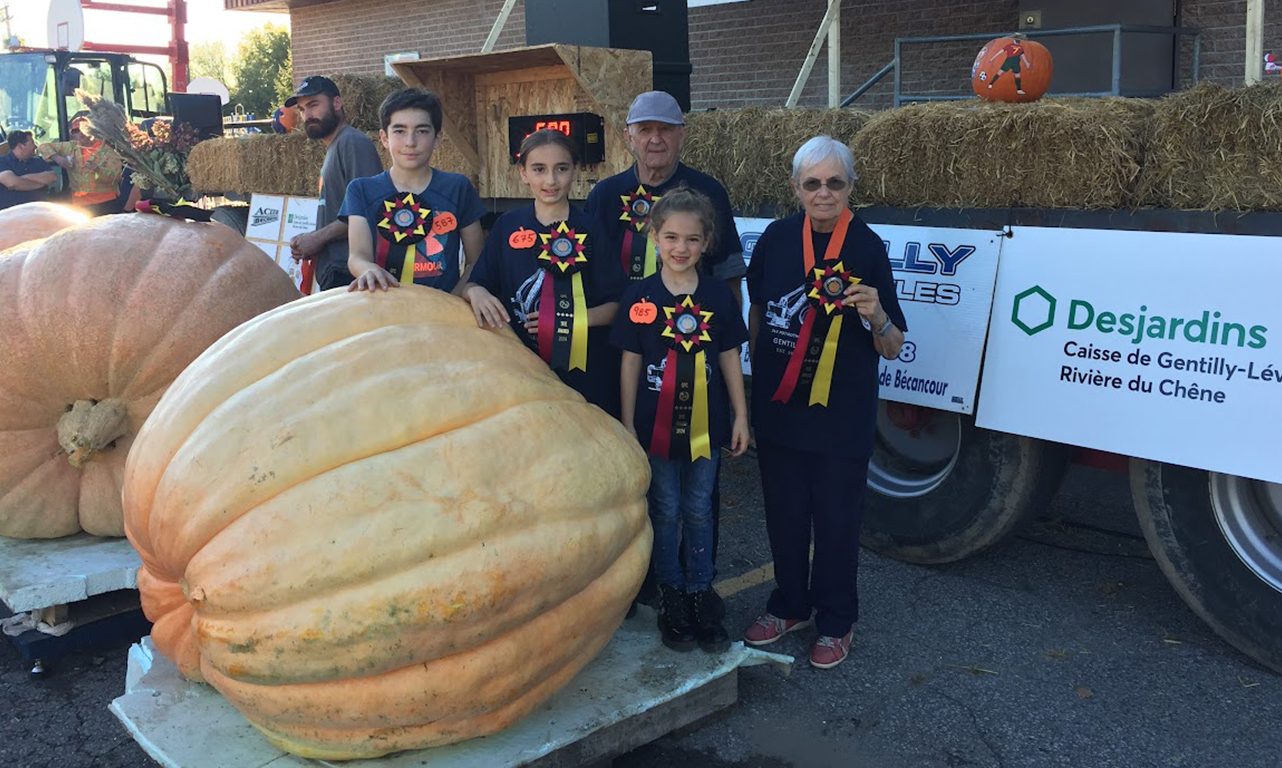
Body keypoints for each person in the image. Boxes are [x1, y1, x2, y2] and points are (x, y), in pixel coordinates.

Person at [742, 136, 907, 670]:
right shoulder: (776, 238)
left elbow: (893, 344)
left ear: (851, 186)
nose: (823, 192)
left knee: (837, 523)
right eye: (812, 183)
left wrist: (876, 313)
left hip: (842, 417)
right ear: (795, 187)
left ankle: (837, 619)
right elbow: (760, 311)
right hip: (781, 409)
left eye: (835, 182)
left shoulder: (866, 246)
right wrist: (756, 376)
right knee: (785, 515)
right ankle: (789, 604)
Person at [611, 187, 749, 653]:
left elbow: (729, 356)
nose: (680, 248)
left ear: (707, 242)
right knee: (665, 510)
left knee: (698, 509)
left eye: (692, 239)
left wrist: (741, 416)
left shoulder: (717, 296)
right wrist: (627, 423)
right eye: (670, 237)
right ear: (653, 237)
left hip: (707, 431)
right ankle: (671, 595)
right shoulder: (640, 297)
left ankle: (700, 592)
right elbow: (629, 362)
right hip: (653, 431)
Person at [462, 129, 626, 415]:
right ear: (523, 173)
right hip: (523, 368)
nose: (550, 180)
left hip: (587, 372)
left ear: (575, 170)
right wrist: (475, 291)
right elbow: (478, 281)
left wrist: (573, 319)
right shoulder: (507, 226)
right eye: (539, 169)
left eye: (561, 169)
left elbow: (617, 304)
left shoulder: (592, 229)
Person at [585, 90, 744, 295]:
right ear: (629, 137)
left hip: (690, 319)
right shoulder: (604, 195)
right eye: (645, 130)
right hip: (618, 321)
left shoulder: (709, 192)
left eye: (665, 129)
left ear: (682, 135)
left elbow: (728, 273)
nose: (656, 139)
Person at [342, 88, 484, 294]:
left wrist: (453, 302)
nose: (410, 142)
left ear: (437, 139)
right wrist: (368, 269)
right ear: (383, 138)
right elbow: (357, 256)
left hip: (441, 314)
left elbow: (476, 260)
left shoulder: (458, 188)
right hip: (382, 309)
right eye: (399, 131)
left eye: (422, 131)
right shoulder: (360, 190)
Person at [285, 76, 384, 291]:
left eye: (313, 105)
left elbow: (369, 210)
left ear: (337, 103)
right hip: (338, 270)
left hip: (352, 274)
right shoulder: (336, 146)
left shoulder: (353, 143)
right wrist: (311, 240)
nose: (307, 115)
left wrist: (317, 238)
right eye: (302, 110)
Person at [38, 115, 127, 215]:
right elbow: (42, 146)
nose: (80, 133)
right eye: (75, 131)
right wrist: (58, 158)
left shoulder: (108, 151)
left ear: (92, 130)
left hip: (106, 203)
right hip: (80, 205)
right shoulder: (71, 147)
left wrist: (98, 169)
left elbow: (116, 177)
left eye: (83, 129)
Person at [0, 131, 57, 210]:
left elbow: (52, 177)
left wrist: (20, 179)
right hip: (10, 215)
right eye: (32, 143)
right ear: (21, 146)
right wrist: (40, 184)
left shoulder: (38, 161)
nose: (35, 146)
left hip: (40, 212)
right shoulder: (2, 162)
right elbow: (12, 183)